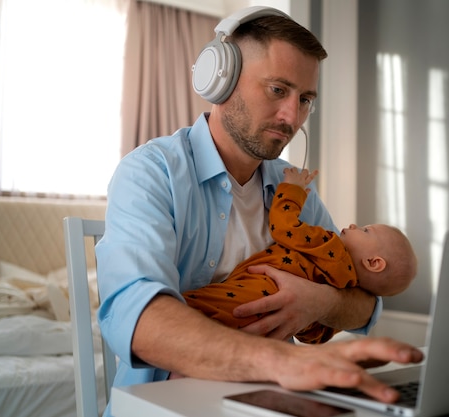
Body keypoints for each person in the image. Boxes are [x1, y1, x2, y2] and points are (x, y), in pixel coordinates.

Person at [95, 6, 423, 416]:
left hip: (268, 403)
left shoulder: (293, 184)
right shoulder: (150, 172)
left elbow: (361, 302)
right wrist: (285, 361)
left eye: (305, 99)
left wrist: (318, 302)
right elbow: (139, 319)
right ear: (222, 79)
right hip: (167, 404)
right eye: (277, 90)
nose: (292, 118)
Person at [183, 167, 417, 344]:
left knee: (191, 308)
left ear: (373, 262)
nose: (354, 225)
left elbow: (285, 227)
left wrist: (292, 191)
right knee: (215, 322)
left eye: (366, 230)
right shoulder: (342, 288)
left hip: (253, 292)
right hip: (262, 333)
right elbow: (313, 335)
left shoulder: (331, 246)